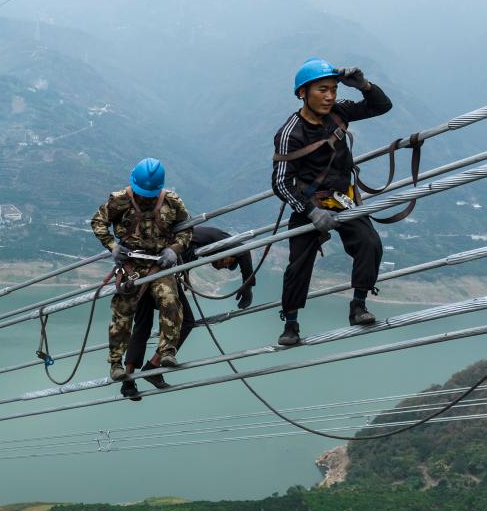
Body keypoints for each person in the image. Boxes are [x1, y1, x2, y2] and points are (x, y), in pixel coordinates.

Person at [271, 58, 392, 346]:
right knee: (298, 263)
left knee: (370, 243)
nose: (330, 97)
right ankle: (291, 324)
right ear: (303, 93)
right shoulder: (291, 133)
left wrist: (364, 85)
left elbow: (381, 106)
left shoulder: (338, 113)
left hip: (342, 199)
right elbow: (280, 182)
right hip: (310, 202)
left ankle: (358, 305)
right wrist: (311, 212)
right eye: (322, 90)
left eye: (334, 90)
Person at [120, 226, 256, 399]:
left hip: (142, 273)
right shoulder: (223, 240)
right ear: (230, 255)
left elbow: (184, 251)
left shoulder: (205, 238)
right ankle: (153, 367)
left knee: (142, 326)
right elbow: (244, 250)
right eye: (228, 263)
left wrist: (184, 274)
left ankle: (128, 383)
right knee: (187, 321)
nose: (223, 267)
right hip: (161, 274)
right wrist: (248, 286)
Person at [91, 157, 192, 383]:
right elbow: (98, 221)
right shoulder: (119, 201)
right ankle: (116, 363)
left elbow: (187, 229)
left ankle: (167, 351)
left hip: (159, 263)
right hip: (131, 265)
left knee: (170, 300)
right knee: (122, 312)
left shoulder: (172, 202)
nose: (146, 198)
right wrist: (113, 246)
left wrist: (174, 249)